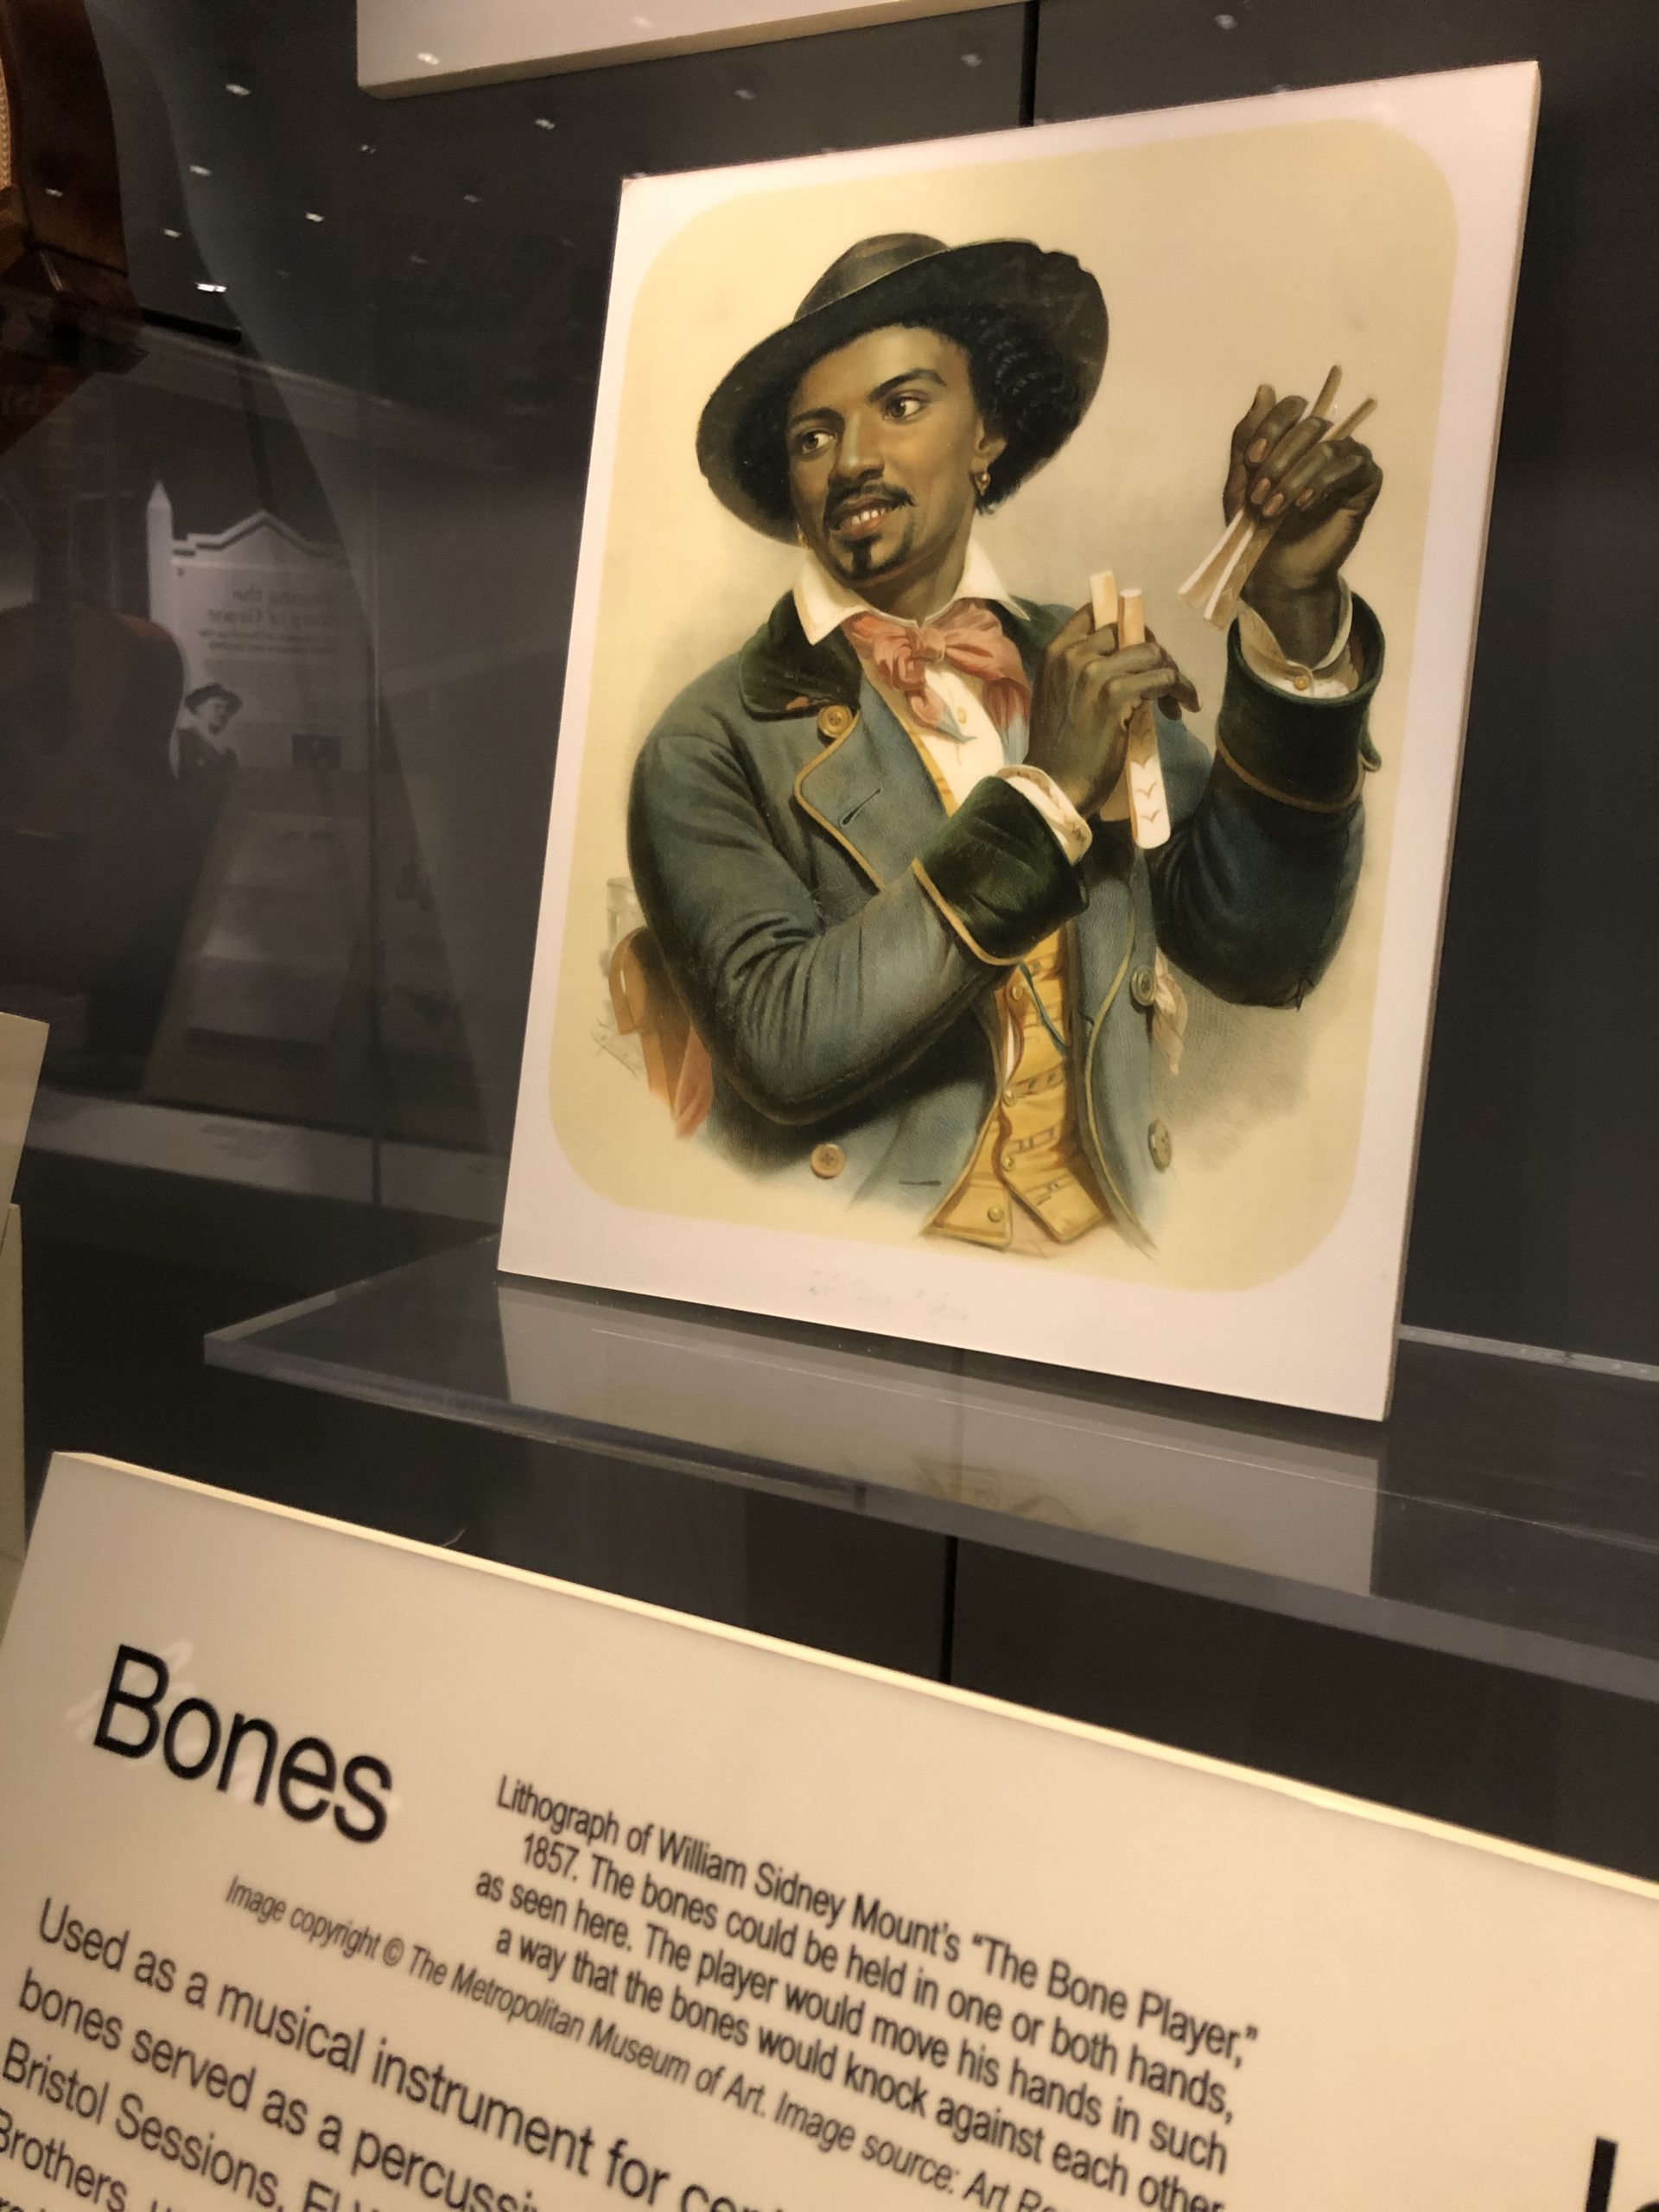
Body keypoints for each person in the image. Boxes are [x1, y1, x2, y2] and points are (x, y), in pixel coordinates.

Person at [626, 233, 1383, 1254]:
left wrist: (1295, 608)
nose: (852, 460)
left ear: (987, 435)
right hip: (866, 1267)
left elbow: (1262, 951)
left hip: (1111, 1249)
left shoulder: (1073, 654)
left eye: (901, 406)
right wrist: (1050, 793)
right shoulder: (706, 741)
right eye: (813, 436)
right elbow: (786, 1045)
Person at [172, 681, 243, 791]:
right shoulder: (180, 740)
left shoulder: (229, 757)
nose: (223, 713)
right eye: (217, 706)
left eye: (228, 708)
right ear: (199, 708)